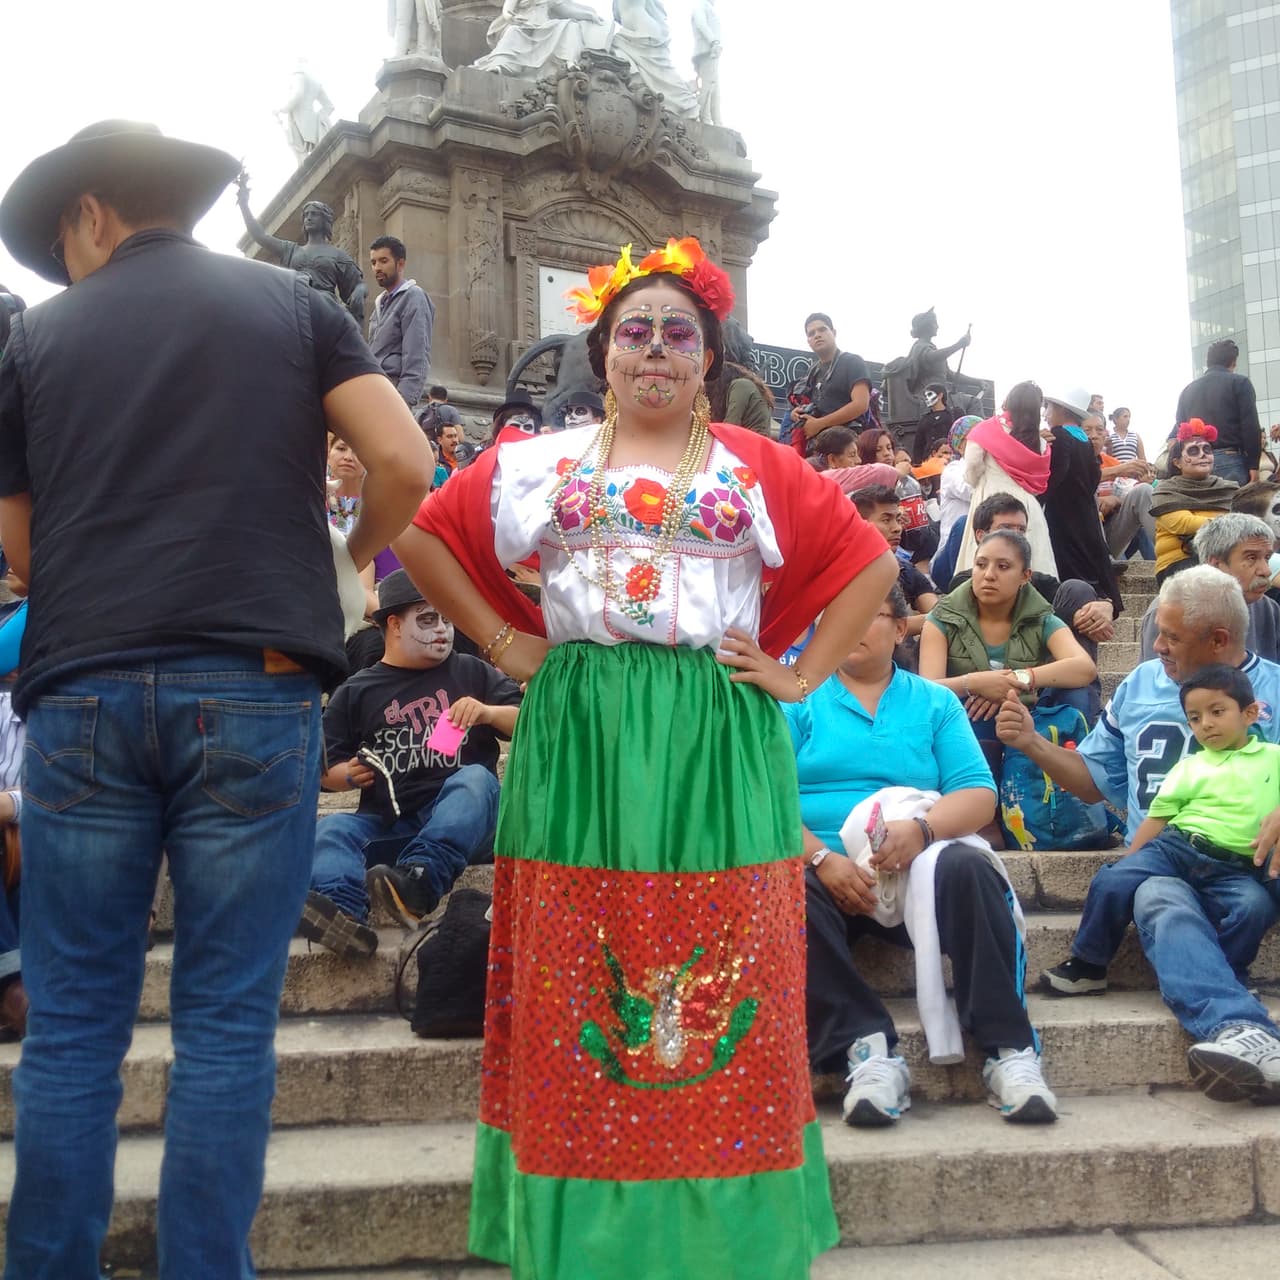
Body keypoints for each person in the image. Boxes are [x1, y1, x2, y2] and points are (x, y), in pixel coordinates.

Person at [394, 235, 899, 1280]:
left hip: (716, 735)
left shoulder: (757, 467)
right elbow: (419, 533)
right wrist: (503, 642)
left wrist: (798, 677)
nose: (655, 350)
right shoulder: (535, 461)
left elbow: (869, 558)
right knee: (579, 959)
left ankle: (721, 1238)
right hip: (579, 731)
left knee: (724, 952)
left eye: (678, 333)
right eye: (634, 332)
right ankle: (588, 1238)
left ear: (706, 356)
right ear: (602, 352)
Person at [0, 120, 433, 1276]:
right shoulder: (294, 308)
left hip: (83, 688)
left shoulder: (32, 339)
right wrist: (342, 563)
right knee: (228, 1023)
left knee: (75, 1024)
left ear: (91, 212)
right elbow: (403, 465)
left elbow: (23, 549)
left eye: (62, 237)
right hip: (256, 684)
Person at [788, 584, 1057, 1124]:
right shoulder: (796, 701)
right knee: (785, 890)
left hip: (919, 867)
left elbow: (978, 793)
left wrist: (923, 830)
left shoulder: (933, 702)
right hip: (831, 871)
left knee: (969, 868)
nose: (848, 629)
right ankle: (865, 1051)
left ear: (900, 627)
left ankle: (1009, 1050)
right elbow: (765, 801)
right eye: (834, 618)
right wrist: (822, 860)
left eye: (865, 614)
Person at [1040, 663, 1280, 1101]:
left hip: (1235, 865)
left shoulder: (1273, 757)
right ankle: (1089, 962)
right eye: (1195, 717)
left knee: (1256, 906)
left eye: (1217, 712)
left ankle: (1229, 973)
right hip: (1177, 848)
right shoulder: (1190, 766)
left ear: (1251, 713)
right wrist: (1132, 865)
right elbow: (1158, 817)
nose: (1205, 724)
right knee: (1115, 879)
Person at [301, 571, 521, 957]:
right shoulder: (356, 690)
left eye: (446, 620)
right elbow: (323, 771)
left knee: (473, 780)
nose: (442, 631)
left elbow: (530, 722)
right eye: (427, 619)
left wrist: (488, 712)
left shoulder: (469, 670)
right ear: (393, 624)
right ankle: (345, 915)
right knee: (333, 828)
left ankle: (421, 882)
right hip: (393, 823)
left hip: (471, 826)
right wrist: (348, 775)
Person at [920, 528, 1097, 773]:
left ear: (1025, 576)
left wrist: (1015, 680)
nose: (989, 575)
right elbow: (927, 690)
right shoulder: (942, 618)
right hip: (964, 721)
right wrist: (977, 683)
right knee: (975, 716)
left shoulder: (1040, 617)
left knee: (1075, 694)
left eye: (1003, 567)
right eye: (981, 564)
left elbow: (1083, 668)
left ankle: (1069, 785)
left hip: (1025, 717)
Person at [1137, 514, 1280, 662]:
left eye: (1267, 558)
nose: (1266, 571)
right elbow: (1155, 681)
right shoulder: (1171, 609)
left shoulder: (1268, 609)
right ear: (1216, 564)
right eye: (1251, 558)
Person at [956, 382, 1056, 578]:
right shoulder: (1041, 442)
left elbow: (972, 467)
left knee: (984, 560)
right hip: (1027, 509)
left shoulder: (985, 430)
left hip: (989, 499)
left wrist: (978, 481)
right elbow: (1038, 485)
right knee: (1032, 564)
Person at [1041, 389, 1123, 617]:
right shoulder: (1084, 439)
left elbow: (1056, 474)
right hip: (1085, 511)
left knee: (1069, 566)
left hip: (1062, 515)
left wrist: (1039, 499)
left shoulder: (1059, 436)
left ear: (1061, 409)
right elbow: (1094, 476)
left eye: (1049, 408)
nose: (1046, 414)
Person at [1153, 419, 1238, 584]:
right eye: (1193, 451)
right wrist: (1233, 522)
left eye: (1207, 449)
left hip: (1229, 558)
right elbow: (1184, 524)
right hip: (1180, 562)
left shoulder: (1230, 488)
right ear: (1177, 462)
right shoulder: (1166, 490)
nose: (1203, 454)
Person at [851, 486, 938, 635]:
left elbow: (939, 613)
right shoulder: (843, 574)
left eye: (898, 519)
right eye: (886, 520)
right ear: (859, 524)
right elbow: (864, 629)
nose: (897, 528)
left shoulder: (903, 569)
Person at [1174, 338, 1263, 484]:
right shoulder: (1240, 383)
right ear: (1233, 362)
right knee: (1232, 506)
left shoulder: (1187, 390)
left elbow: (1181, 429)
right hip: (1231, 460)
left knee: (1203, 507)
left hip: (1195, 463)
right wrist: (1254, 465)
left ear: (1207, 362)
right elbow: (1250, 426)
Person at [367, 234, 434, 409]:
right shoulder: (379, 303)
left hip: (394, 395)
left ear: (401, 263)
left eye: (383, 261)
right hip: (374, 392)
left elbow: (417, 355)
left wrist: (403, 402)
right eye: (373, 263)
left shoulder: (413, 297)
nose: (377, 268)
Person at [790, 312, 872, 455]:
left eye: (822, 329)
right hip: (820, 447)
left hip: (849, 446)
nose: (817, 335)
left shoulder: (852, 362)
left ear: (833, 332)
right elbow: (811, 403)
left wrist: (820, 423)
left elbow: (861, 404)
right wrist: (798, 412)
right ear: (808, 341)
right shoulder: (813, 371)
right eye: (811, 333)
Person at [1082, 410, 1155, 559]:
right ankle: (1110, 564)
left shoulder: (1111, 462)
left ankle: (1171, 555)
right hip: (1079, 539)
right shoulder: (1069, 462)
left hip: (1111, 533)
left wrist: (1116, 500)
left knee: (1144, 490)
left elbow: (1130, 495)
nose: (1093, 435)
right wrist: (1117, 470)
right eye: (1087, 430)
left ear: (1105, 435)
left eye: (1099, 430)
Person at [936, 413, 981, 549]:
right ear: (960, 447)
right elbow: (972, 491)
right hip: (952, 552)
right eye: (977, 438)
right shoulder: (953, 470)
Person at [911, 382, 959, 464]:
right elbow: (918, 445)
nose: (926, 398)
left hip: (950, 460)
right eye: (925, 396)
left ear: (940, 395)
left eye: (929, 395)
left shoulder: (955, 413)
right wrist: (917, 463)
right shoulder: (924, 419)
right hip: (928, 461)